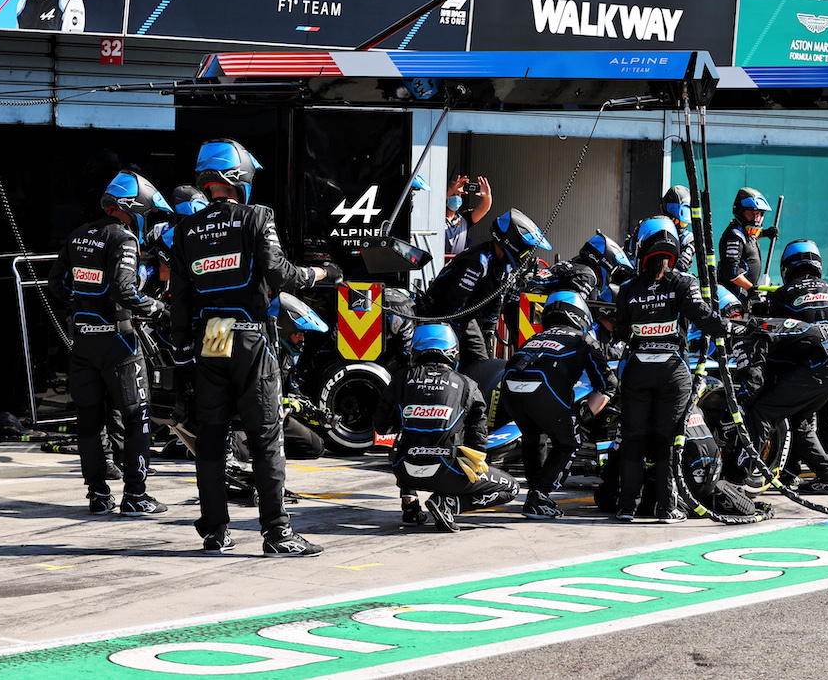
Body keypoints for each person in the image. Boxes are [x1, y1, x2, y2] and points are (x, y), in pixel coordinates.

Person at [170, 138, 341, 556]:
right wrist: (323, 272)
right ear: (239, 176)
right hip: (249, 334)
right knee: (266, 438)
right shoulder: (256, 217)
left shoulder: (186, 229)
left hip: (212, 333)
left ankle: (215, 531)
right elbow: (280, 274)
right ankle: (278, 534)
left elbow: (180, 299)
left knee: (211, 438)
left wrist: (181, 357)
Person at [48, 171, 171, 516]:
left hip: (84, 344)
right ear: (134, 206)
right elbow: (124, 290)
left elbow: (55, 284)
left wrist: (84, 306)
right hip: (120, 343)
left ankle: (98, 496)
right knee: (138, 418)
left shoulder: (77, 235)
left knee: (88, 421)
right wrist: (157, 307)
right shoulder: (124, 238)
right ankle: (135, 496)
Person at [614, 217, 726, 522]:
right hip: (672, 370)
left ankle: (626, 507)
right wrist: (725, 326)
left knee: (634, 439)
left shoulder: (627, 289)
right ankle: (666, 507)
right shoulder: (683, 282)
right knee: (667, 439)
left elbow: (621, 332)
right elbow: (704, 318)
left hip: (637, 369)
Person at [373, 324, 520, 531]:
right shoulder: (467, 384)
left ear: (416, 350)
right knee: (512, 487)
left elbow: (381, 426)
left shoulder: (401, 379)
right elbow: (478, 442)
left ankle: (410, 505)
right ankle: (450, 503)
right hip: (447, 473)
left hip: (405, 472)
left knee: (405, 442)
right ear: (453, 351)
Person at [499, 290, 617, 518]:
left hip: (509, 389)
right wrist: (585, 416)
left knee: (533, 437)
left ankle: (535, 493)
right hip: (544, 391)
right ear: (580, 314)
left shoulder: (534, 338)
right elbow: (607, 383)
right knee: (569, 442)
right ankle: (540, 494)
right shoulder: (583, 339)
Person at [418, 208, 551, 366]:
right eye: (525, 252)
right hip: (439, 318)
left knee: (482, 364)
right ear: (511, 244)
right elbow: (452, 307)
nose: (527, 257)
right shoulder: (476, 262)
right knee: (447, 365)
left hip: (464, 318)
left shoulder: (504, 265)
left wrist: (488, 332)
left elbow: (495, 300)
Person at [768, 239, 828, 490]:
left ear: (787, 267)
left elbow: (776, 334)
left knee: (795, 415)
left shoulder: (782, 294)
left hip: (812, 356)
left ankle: (800, 471)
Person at [718, 187, 778, 304]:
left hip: (745, 295)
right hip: (734, 296)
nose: (756, 218)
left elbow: (749, 240)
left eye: (759, 214)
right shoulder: (734, 235)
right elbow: (731, 271)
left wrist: (765, 233)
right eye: (751, 213)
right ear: (740, 212)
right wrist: (751, 289)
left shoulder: (745, 231)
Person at [444, 175, 492, 257]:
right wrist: (451, 191)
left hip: (457, 265)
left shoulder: (464, 218)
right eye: (453, 194)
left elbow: (482, 209)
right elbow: (437, 202)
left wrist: (487, 196)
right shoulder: (436, 216)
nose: (455, 197)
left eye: (458, 194)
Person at [662, 185, 696, 272]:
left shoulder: (688, 238)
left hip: (672, 280)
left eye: (683, 223)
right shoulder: (655, 229)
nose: (679, 226)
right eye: (674, 221)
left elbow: (683, 264)